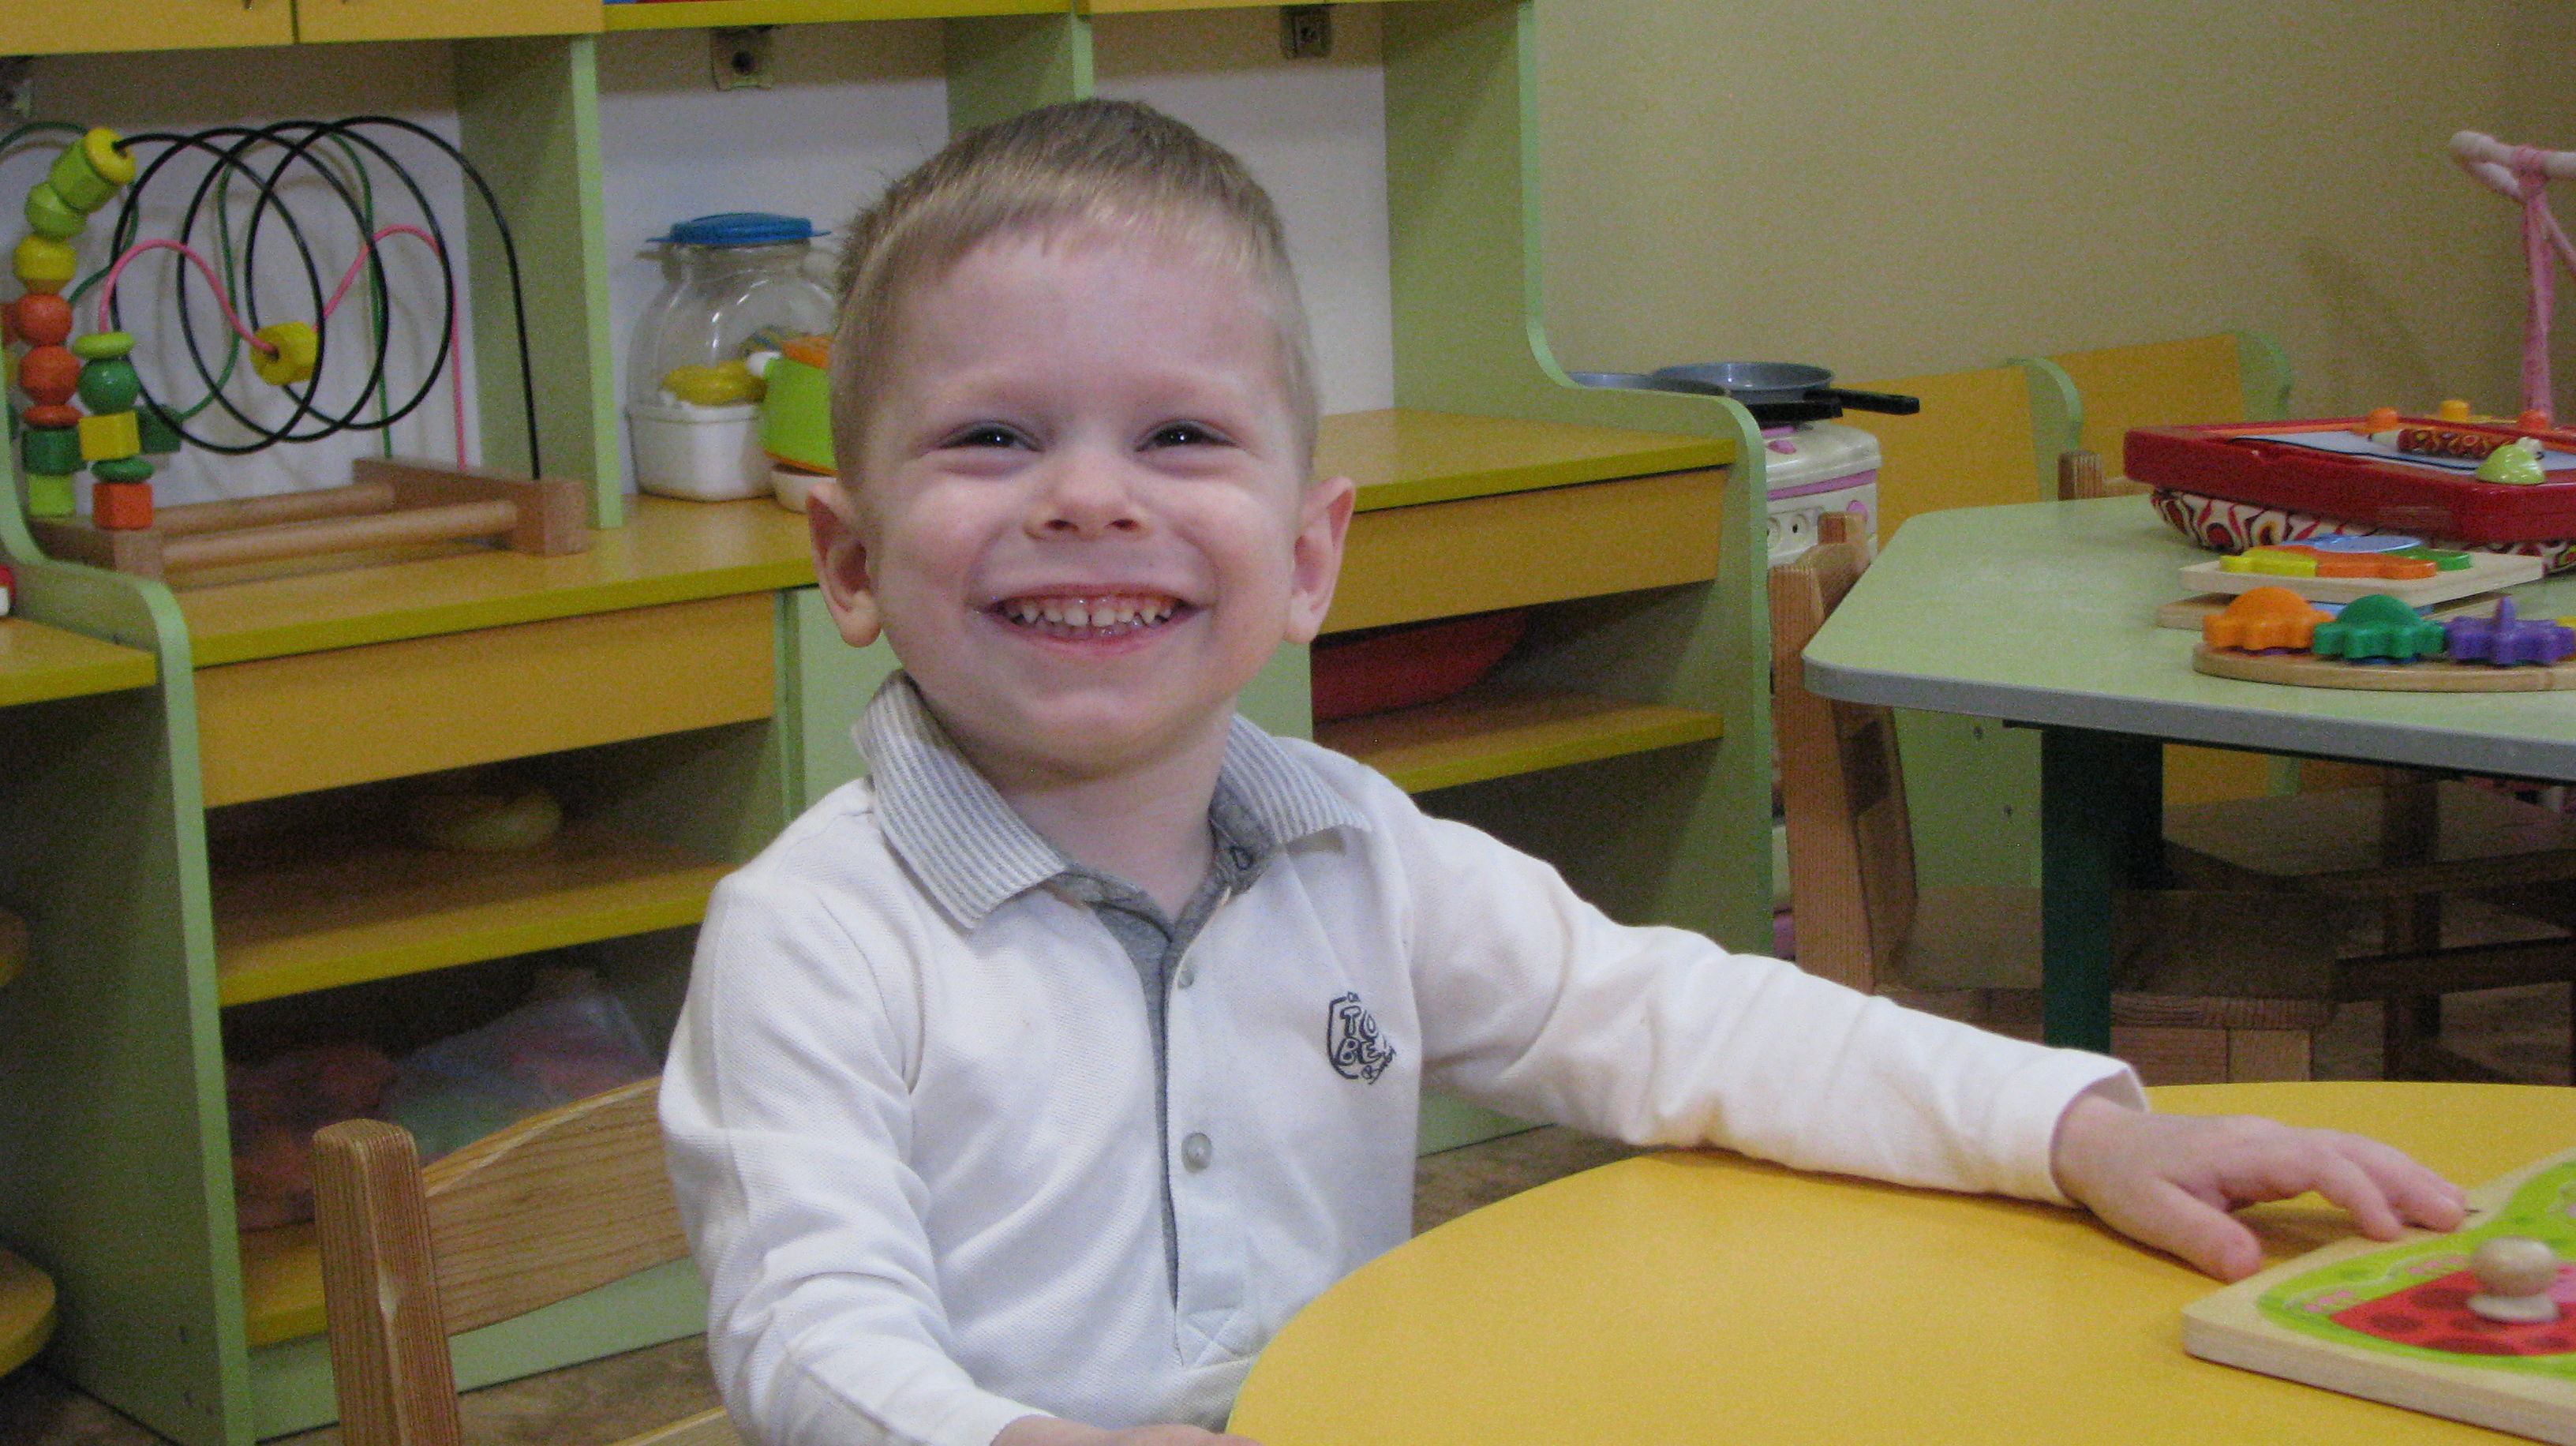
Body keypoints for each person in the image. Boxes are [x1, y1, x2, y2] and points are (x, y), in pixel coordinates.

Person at [658, 99, 2467, 1446]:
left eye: (1181, 434)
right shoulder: (815, 933)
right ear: (850, 560)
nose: (1086, 495)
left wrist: (2079, 1130)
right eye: (991, 435)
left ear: (1308, 555)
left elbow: (1694, 1021)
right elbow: (808, 1332)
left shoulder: (1356, 853)